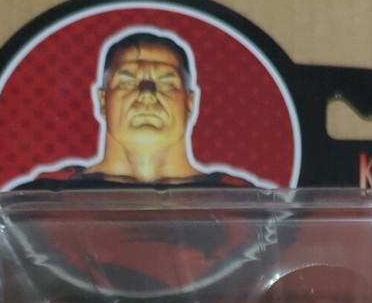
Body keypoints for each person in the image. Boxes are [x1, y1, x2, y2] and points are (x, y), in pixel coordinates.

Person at [22, 30, 258, 188]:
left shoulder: (241, 203)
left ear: (189, 103)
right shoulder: (45, 196)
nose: (147, 94)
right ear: (103, 101)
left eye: (167, 84)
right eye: (127, 82)